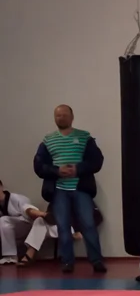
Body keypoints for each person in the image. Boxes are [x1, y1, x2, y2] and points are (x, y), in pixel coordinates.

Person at [33, 104, 106, 273]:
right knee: (63, 226)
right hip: (58, 190)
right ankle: (67, 262)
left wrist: (77, 169)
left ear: (72, 117)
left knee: (88, 224)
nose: (61, 118)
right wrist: (57, 171)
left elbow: (97, 161)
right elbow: (38, 166)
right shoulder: (47, 140)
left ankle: (97, 261)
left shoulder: (84, 137)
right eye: (58, 115)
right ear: (54, 118)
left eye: (65, 115)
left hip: (81, 189)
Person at [0, 180, 43, 264]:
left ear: (1, 187)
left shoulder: (18, 199)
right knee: (3, 222)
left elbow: (29, 214)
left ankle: (11, 256)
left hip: (28, 225)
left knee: (3, 220)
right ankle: (10, 256)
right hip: (11, 230)